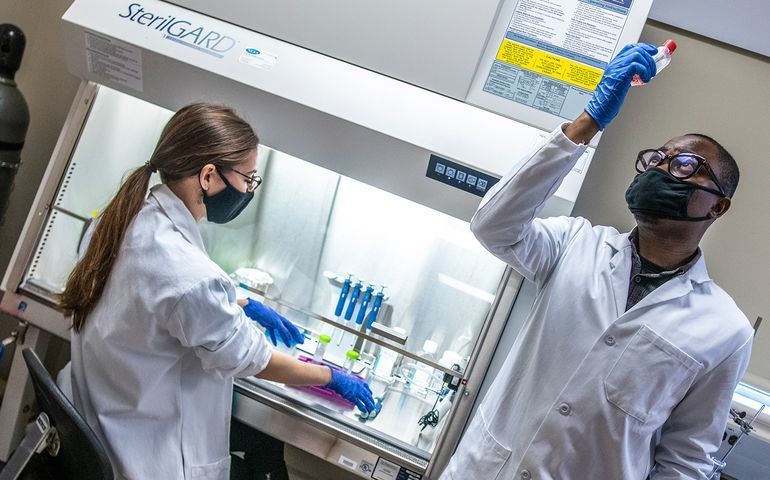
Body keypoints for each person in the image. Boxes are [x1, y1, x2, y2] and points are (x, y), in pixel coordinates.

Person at [440, 43, 754, 479]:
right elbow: (494, 226)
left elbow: (684, 463)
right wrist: (588, 122)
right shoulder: (577, 244)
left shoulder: (724, 331)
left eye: (685, 165)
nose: (661, 170)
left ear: (718, 207)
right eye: (655, 160)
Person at [59, 103, 375, 480]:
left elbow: (153, 293)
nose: (248, 189)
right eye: (248, 179)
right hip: (146, 459)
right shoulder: (189, 275)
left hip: (105, 428)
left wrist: (243, 302)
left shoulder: (123, 220)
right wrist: (330, 377)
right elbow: (256, 361)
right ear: (208, 176)